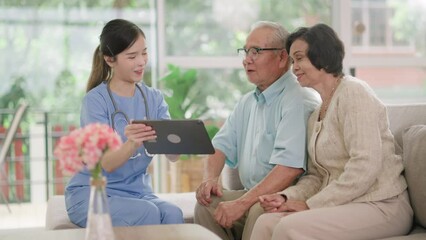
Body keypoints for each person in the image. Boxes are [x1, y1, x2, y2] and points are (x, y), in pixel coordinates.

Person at [251, 23, 413, 240]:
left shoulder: (354, 92)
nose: (294, 67)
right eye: (292, 60)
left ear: (322, 56)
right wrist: (285, 197)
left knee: (288, 228)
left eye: (299, 58)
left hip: (381, 204)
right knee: (265, 222)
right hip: (346, 204)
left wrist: (309, 205)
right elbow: (317, 176)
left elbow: (365, 165)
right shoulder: (316, 114)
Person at [194, 21, 320, 240]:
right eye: (245, 51)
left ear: (282, 58)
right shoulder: (247, 102)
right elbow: (219, 146)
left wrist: (241, 204)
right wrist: (210, 180)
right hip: (253, 193)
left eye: (256, 51)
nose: (247, 59)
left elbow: (289, 169)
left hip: (285, 197)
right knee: (206, 204)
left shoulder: (298, 99)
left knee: (258, 210)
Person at [65, 19, 184, 227]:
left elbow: (173, 155)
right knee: (146, 213)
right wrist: (131, 143)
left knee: (173, 214)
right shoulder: (95, 101)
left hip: (137, 192)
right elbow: (106, 163)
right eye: (132, 56)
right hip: (92, 192)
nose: (141, 62)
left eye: (144, 53)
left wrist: (181, 141)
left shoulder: (153, 98)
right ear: (110, 59)